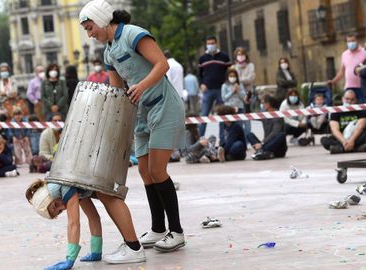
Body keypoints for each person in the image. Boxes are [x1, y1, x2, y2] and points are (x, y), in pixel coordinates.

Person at [81, 0, 184, 259]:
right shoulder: (108, 52)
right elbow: (117, 92)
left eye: (89, 27)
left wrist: (141, 86)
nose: (89, 33)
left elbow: (162, 64)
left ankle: (177, 232)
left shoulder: (132, 34)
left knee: (157, 170)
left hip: (164, 106)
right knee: (144, 170)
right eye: (86, 29)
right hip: (141, 112)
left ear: (102, 20)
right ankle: (158, 229)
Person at [26, 179, 104, 270]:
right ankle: (96, 252)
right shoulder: (70, 190)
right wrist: (96, 252)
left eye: (56, 205)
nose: (63, 207)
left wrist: (70, 259)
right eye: (60, 211)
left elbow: (73, 224)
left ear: (50, 196)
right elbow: (93, 217)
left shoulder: (61, 188)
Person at [198, 36, 231, 137]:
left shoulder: (224, 56)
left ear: (216, 43)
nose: (211, 45)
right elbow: (199, 74)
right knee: (204, 115)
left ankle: (223, 138)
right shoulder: (202, 58)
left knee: (222, 115)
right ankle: (200, 139)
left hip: (221, 89)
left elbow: (230, 72)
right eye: (209, 43)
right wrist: (202, 84)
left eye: (212, 43)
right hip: (208, 90)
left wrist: (228, 84)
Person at [247, 95, 287, 160]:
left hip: (277, 148)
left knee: (281, 135)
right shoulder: (264, 114)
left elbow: (275, 132)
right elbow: (251, 115)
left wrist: (262, 144)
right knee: (249, 135)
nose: (261, 105)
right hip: (266, 144)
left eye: (262, 103)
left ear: (268, 104)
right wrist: (247, 104)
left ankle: (262, 151)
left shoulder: (277, 115)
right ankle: (264, 152)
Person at [328, 34, 365, 102]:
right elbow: (342, 71)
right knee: (347, 109)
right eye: (349, 41)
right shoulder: (345, 54)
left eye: (353, 41)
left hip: (362, 86)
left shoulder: (364, 52)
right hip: (349, 86)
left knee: (363, 109)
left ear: (357, 41)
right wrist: (333, 81)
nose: (351, 43)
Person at [234, 47, 255, 135]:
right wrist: (242, 80)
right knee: (239, 117)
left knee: (247, 116)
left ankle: (248, 136)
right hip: (238, 95)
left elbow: (251, 79)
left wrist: (240, 80)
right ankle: (241, 136)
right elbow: (234, 80)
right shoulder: (234, 67)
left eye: (242, 54)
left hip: (248, 93)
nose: (240, 56)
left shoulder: (250, 65)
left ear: (246, 55)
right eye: (238, 54)